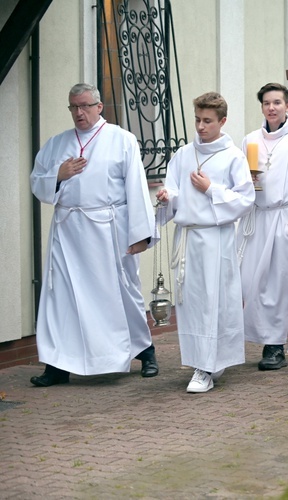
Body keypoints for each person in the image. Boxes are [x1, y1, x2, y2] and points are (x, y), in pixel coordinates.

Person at [29, 83, 158, 387]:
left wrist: (140, 234)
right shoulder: (56, 143)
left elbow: (137, 188)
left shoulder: (122, 140)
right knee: (62, 297)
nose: (79, 113)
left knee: (123, 293)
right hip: (69, 231)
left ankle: (145, 352)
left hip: (109, 230)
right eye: (73, 107)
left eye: (85, 106)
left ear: (99, 107)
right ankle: (58, 365)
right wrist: (58, 177)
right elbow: (37, 181)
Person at [156, 92, 254, 393]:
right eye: (197, 120)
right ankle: (202, 360)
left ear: (222, 121)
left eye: (207, 121)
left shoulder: (233, 156)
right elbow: (172, 192)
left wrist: (211, 188)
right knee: (192, 303)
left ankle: (207, 367)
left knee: (214, 302)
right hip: (187, 238)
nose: (200, 126)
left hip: (215, 238)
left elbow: (245, 199)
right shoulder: (183, 155)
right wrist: (165, 197)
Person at [236, 83, 288, 371]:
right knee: (252, 280)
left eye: (277, 102)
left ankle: (276, 344)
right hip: (257, 216)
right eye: (267, 103)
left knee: (281, 282)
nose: (272, 108)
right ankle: (257, 336)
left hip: (287, 217)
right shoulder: (249, 140)